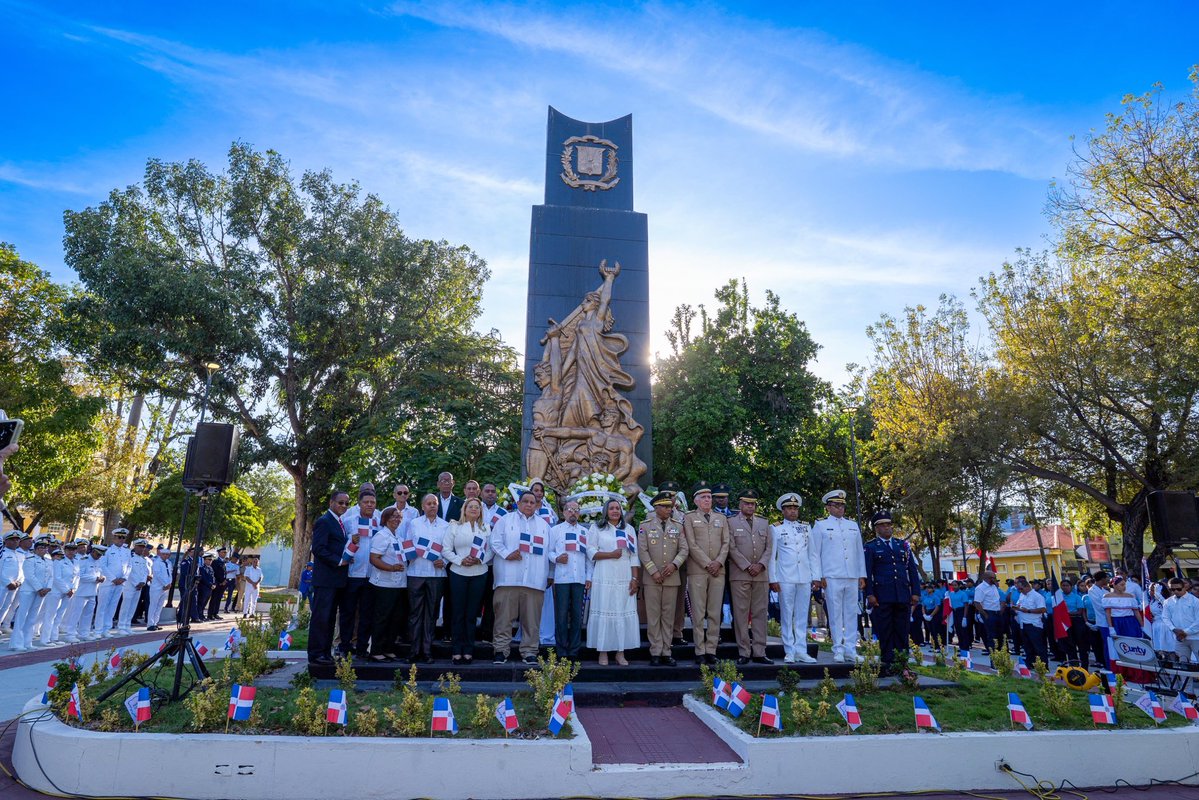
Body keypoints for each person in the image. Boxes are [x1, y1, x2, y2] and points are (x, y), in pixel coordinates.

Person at [490, 490, 553, 665]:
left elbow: (551, 550)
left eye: (532, 502)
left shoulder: (544, 526)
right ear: (518, 503)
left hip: (534, 579)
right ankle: (501, 650)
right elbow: (494, 542)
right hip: (507, 577)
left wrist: (551, 575)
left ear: (536, 505)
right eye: (525, 501)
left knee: (532, 621)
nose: (528, 505)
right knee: (503, 619)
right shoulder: (505, 520)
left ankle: (530, 651)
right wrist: (506, 554)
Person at [863, 510, 921, 674]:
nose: (887, 528)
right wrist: (870, 594)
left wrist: (915, 591)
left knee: (902, 630)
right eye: (882, 525)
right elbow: (867, 572)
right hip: (882, 595)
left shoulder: (903, 545)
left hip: (902, 594)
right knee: (885, 630)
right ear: (876, 528)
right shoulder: (871, 547)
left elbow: (912, 570)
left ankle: (902, 663)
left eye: (889, 524)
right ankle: (887, 663)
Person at [813, 489, 866, 663]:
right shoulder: (820, 525)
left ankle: (851, 649)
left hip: (851, 575)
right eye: (836, 505)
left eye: (842, 505)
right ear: (828, 507)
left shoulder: (852, 525)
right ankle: (838, 648)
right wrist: (818, 575)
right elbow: (815, 553)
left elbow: (859, 552)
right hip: (831, 575)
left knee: (851, 613)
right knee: (835, 614)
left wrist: (861, 575)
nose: (840, 508)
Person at [586, 498, 640, 665]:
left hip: (624, 574)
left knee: (622, 611)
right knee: (604, 609)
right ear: (606, 511)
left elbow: (634, 556)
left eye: (618, 508)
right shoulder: (597, 528)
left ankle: (620, 652)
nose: (615, 511)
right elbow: (590, 551)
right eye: (612, 508)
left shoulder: (629, 529)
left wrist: (635, 578)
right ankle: (603, 651)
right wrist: (610, 554)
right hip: (604, 572)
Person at [638, 492, 688, 666]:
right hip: (652, 579)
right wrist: (653, 571)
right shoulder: (645, 526)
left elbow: (684, 550)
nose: (669, 509)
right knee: (654, 616)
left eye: (670, 506)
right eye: (665, 506)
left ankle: (667, 651)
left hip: (672, 578)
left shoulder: (678, 525)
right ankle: (655, 651)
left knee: (668, 616)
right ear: (656, 508)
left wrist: (674, 565)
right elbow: (642, 551)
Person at [682, 481, 729, 665]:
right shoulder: (689, 518)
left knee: (715, 612)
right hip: (698, 571)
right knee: (699, 612)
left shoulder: (721, 518)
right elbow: (691, 545)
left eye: (709, 497)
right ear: (696, 501)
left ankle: (711, 650)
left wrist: (718, 562)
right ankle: (699, 650)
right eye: (704, 497)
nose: (708, 500)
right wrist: (707, 563)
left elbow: (726, 543)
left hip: (718, 570)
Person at [769, 492, 818, 664]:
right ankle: (789, 650)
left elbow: (812, 554)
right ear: (782, 510)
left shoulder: (806, 527)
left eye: (795, 508)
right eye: (789, 508)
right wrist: (772, 578)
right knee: (787, 614)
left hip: (804, 577)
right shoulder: (776, 528)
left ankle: (801, 650)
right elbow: (772, 556)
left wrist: (816, 576)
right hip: (785, 577)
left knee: (802, 615)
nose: (793, 511)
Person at [444, 497, 492, 664]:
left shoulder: (485, 528)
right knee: (458, 613)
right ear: (464, 509)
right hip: (458, 572)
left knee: (472, 614)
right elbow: (445, 549)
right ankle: (457, 649)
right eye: (470, 507)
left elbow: (491, 550)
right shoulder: (454, 526)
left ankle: (468, 650)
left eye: (477, 507)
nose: (473, 509)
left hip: (479, 573)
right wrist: (460, 560)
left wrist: (480, 560)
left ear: (480, 511)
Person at [727, 489, 773, 666]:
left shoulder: (764, 522)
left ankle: (760, 651)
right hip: (740, 574)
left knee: (761, 613)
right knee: (741, 614)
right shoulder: (731, 522)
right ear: (740, 504)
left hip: (760, 574)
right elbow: (731, 548)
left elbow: (769, 548)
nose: (750, 506)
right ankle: (744, 651)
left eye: (752, 504)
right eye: (746, 503)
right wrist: (747, 565)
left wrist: (760, 565)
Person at [405, 493, 450, 663]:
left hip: (436, 575)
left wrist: (443, 561)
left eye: (435, 503)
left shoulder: (445, 526)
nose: (432, 506)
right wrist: (412, 555)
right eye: (429, 503)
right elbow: (408, 544)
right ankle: (413, 651)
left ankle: (427, 651)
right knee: (415, 614)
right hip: (416, 573)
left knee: (431, 615)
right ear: (423, 506)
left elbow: (448, 548)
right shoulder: (414, 523)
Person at [308, 491, 351, 665]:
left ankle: (325, 653)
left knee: (330, 618)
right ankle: (316, 654)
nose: (344, 506)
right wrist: (339, 561)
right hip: (325, 579)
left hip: (336, 580)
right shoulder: (324, 521)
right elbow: (318, 549)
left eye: (347, 504)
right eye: (340, 503)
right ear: (331, 502)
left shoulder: (339, 522)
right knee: (321, 618)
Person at [340, 488, 380, 657]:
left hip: (371, 574)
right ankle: (345, 646)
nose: (369, 505)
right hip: (352, 573)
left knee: (367, 614)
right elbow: (338, 542)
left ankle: (363, 648)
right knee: (348, 612)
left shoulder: (379, 521)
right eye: (366, 502)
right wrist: (350, 542)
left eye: (372, 502)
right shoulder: (348, 521)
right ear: (359, 504)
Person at [548, 499, 589, 660]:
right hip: (562, 578)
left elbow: (588, 558)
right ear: (564, 512)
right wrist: (557, 558)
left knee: (577, 615)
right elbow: (549, 552)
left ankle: (574, 650)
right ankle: (561, 650)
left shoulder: (585, 532)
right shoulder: (555, 530)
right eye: (570, 510)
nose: (573, 513)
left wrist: (589, 577)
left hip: (579, 578)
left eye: (576, 510)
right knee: (561, 615)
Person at [367, 506, 407, 662]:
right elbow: (374, 558)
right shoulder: (381, 536)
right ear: (385, 519)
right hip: (383, 584)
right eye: (393, 516)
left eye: (399, 517)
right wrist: (391, 568)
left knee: (395, 618)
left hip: (399, 584)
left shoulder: (398, 536)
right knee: (382, 618)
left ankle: (388, 649)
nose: (396, 519)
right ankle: (376, 650)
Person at [10, 538, 51, 652]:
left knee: (33, 616)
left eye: (45, 548)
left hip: (42, 592)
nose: (43, 550)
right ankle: (16, 643)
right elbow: (29, 575)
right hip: (28, 590)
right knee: (22, 616)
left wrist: (47, 588)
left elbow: (51, 576)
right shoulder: (30, 559)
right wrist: (39, 588)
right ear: (36, 549)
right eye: (41, 548)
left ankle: (27, 642)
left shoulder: (48, 561)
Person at [64, 541, 103, 641]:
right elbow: (80, 575)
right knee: (75, 613)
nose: (99, 556)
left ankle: (84, 633)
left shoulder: (98, 561)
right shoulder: (83, 560)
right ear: (93, 551)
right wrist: (95, 578)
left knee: (88, 614)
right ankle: (70, 634)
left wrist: (102, 578)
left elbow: (100, 573)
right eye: (97, 554)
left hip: (93, 591)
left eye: (100, 555)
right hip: (81, 591)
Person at [96, 528, 131, 636]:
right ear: (114, 537)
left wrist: (124, 577)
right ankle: (98, 630)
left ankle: (106, 629)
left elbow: (129, 566)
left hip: (120, 583)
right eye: (119, 537)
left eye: (123, 537)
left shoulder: (127, 551)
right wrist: (113, 578)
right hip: (108, 583)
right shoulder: (107, 551)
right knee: (102, 607)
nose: (121, 539)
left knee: (112, 607)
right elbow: (103, 566)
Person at [40, 545, 77, 646]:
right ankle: (45, 639)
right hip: (56, 591)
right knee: (50, 615)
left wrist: (73, 589)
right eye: (69, 550)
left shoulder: (75, 562)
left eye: (73, 550)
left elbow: (76, 577)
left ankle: (54, 637)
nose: (71, 552)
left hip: (68, 592)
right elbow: (57, 578)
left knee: (59, 615)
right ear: (65, 551)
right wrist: (66, 590)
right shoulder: (58, 561)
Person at [117, 539, 151, 634]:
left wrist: (143, 582)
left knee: (133, 606)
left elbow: (145, 572)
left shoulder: (143, 560)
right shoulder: (130, 558)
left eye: (143, 547)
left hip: (139, 586)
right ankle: (121, 626)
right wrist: (137, 583)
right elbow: (129, 572)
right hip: (130, 585)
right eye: (140, 547)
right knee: (126, 606)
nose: (141, 549)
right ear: (135, 547)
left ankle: (127, 625)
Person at [1162, 577, 1199, 663]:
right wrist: (1173, 629)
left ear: (1185, 587)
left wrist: (1185, 632)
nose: (1175, 591)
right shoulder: (1167, 602)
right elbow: (1165, 618)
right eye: (1172, 589)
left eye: (1178, 589)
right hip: (1179, 639)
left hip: (1196, 637)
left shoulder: (1195, 601)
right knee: (1183, 664)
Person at [1012, 577, 1047, 664]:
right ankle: (1030, 663)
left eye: (1021, 588)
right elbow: (1019, 605)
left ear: (1027, 586)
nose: (1020, 590)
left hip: (1034, 625)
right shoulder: (1022, 595)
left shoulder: (1037, 596)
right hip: (1023, 624)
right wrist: (1016, 608)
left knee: (1038, 647)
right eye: (1018, 589)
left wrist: (1028, 610)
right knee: (1027, 646)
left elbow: (1042, 609)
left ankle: (1044, 665)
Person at [1056, 577, 1089, 668]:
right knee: (1070, 645)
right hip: (1065, 623)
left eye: (1067, 585)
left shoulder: (1076, 597)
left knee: (1081, 644)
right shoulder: (1059, 597)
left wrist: (1067, 613)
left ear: (1071, 587)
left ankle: (1084, 666)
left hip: (1076, 621)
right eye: (1063, 586)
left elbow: (1080, 611)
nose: (1065, 587)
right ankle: (1073, 665)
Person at [973, 570, 1003, 655]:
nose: (995, 580)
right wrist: (985, 615)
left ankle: (1000, 656)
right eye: (994, 578)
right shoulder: (980, 588)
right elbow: (977, 603)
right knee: (992, 637)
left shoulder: (993, 586)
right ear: (988, 578)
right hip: (989, 613)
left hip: (997, 612)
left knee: (1000, 636)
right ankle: (994, 660)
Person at [0, 531, 23, 639]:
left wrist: (19, 582)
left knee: (6, 607)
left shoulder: (20, 555)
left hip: (14, 586)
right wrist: (8, 582)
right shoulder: (2, 553)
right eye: (12, 539)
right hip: (2, 585)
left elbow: (22, 571)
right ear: (6, 541)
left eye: (17, 540)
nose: (15, 541)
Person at [146, 546, 172, 631]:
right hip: (157, 587)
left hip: (165, 588)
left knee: (160, 606)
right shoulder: (157, 562)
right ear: (160, 554)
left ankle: (155, 623)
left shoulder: (168, 563)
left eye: (167, 554)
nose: (165, 556)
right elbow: (158, 574)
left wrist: (169, 584)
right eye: (163, 554)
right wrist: (165, 584)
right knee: (153, 605)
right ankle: (150, 624)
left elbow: (170, 574)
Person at [207, 547, 228, 621]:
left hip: (223, 583)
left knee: (218, 599)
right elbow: (214, 573)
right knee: (214, 599)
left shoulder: (224, 562)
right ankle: (210, 614)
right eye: (223, 552)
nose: (225, 554)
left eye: (225, 552)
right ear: (219, 553)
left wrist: (225, 581)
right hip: (217, 583)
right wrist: (220, 582)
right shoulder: (215, 562)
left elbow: (224, 573)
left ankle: (215, 613)